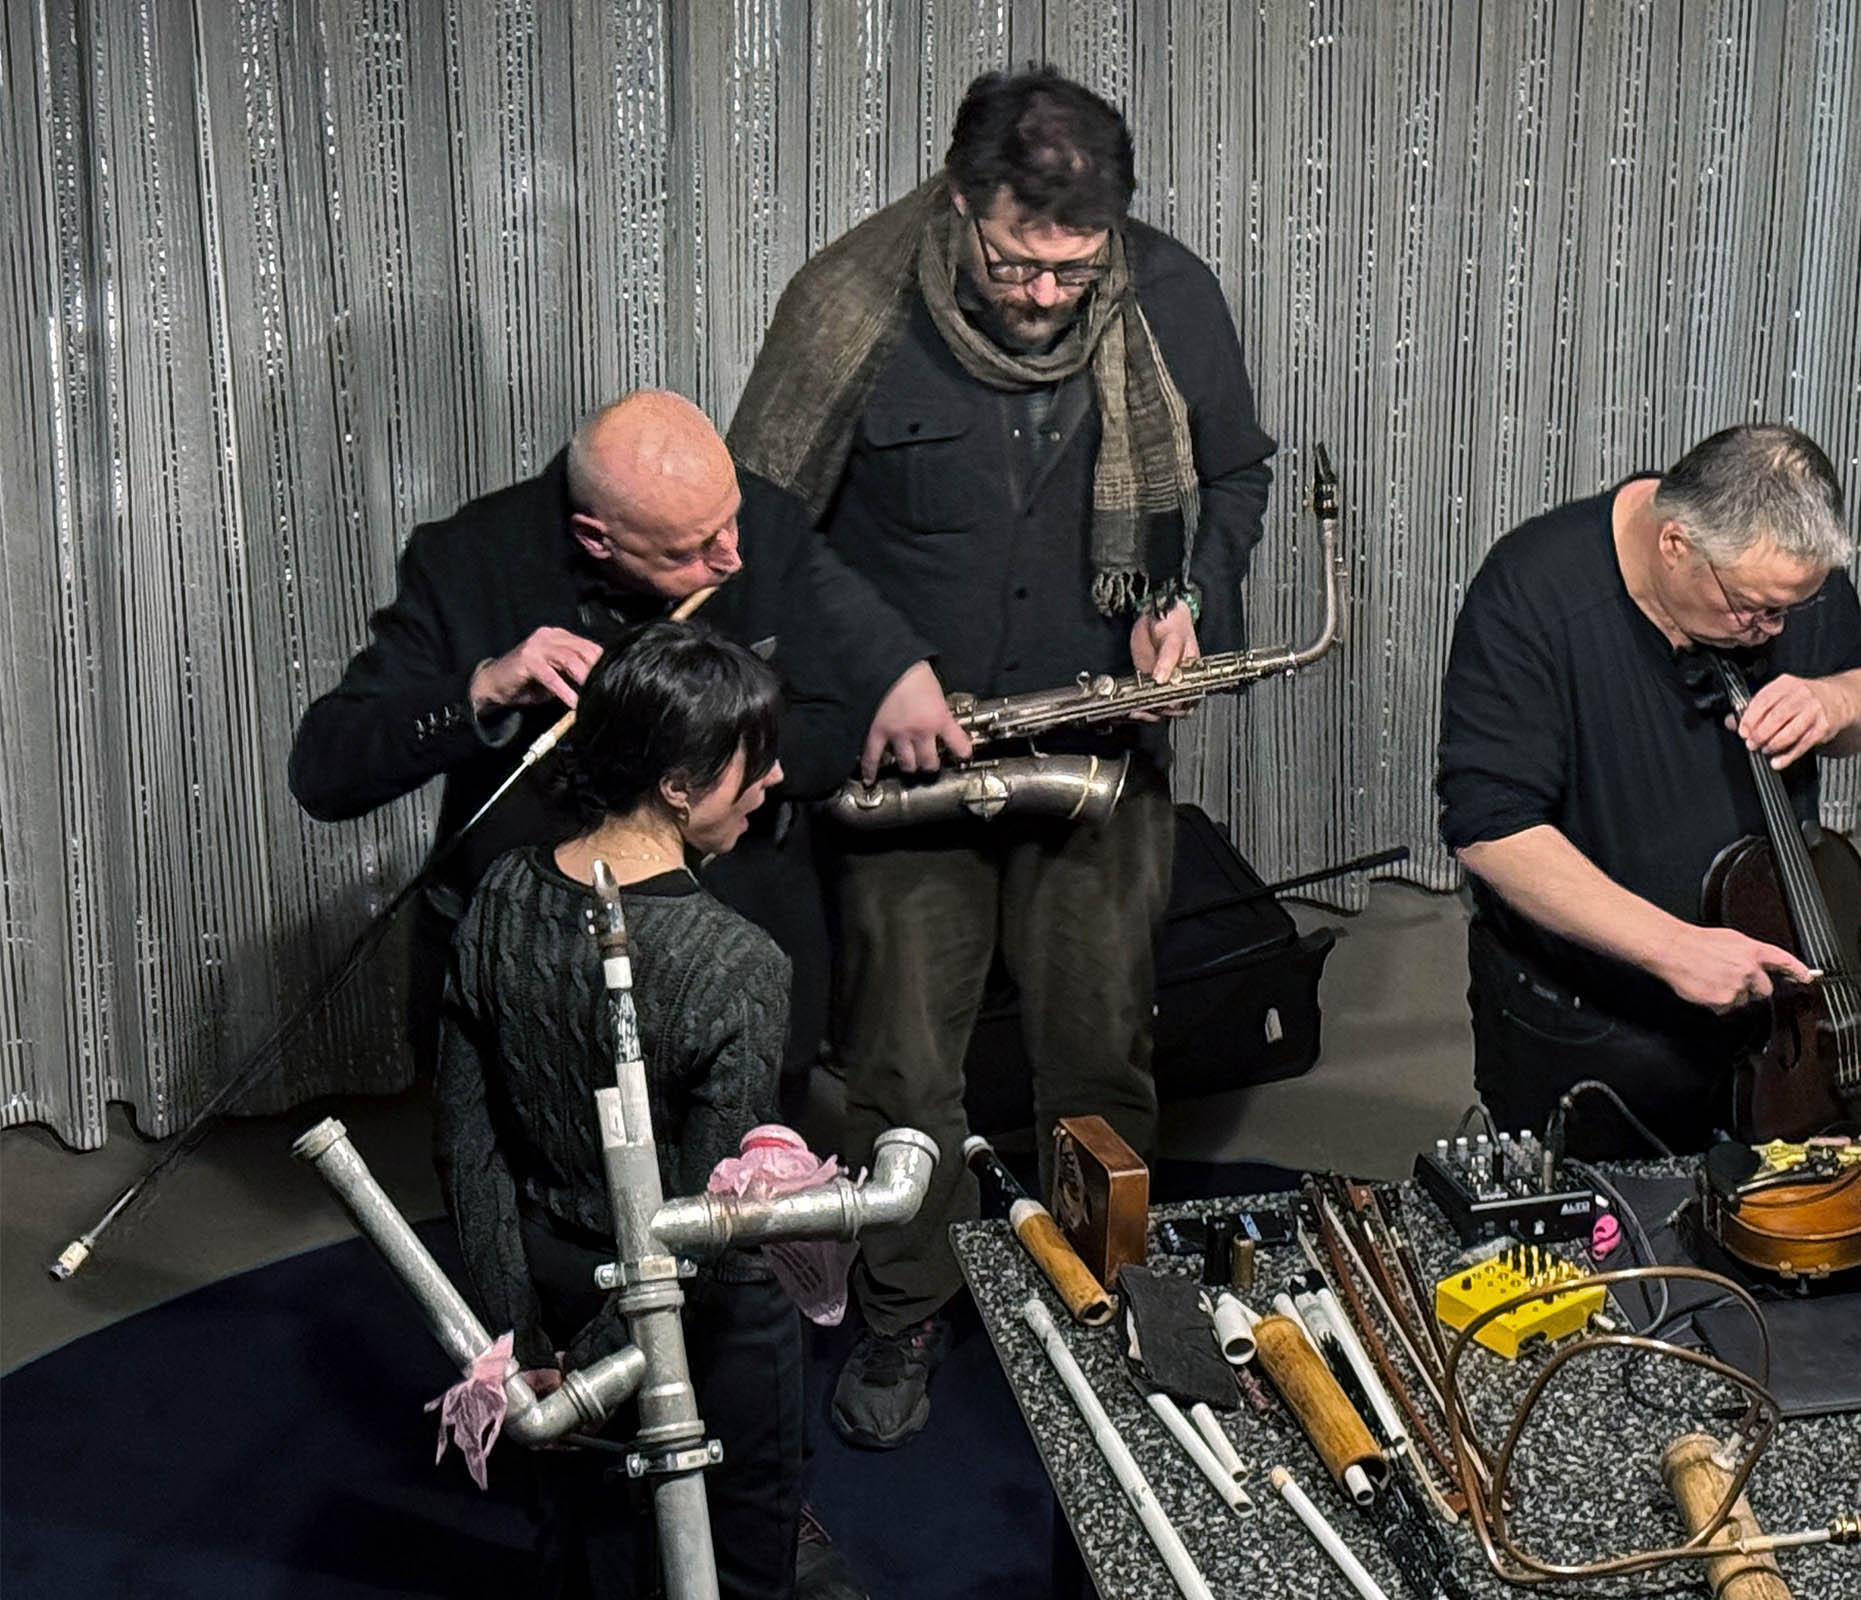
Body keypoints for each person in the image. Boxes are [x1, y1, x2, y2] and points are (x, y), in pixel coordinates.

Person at [726, 66, 1274, 1448]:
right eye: (1018, 262)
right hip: (907, 765)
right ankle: (907, 1308)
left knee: (1104, 1041)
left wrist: (1189, 600)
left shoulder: (1169, 293)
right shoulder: (846, 304)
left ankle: (1107, 1291)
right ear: (961, 202)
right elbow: (761, 529)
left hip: (1096, 747)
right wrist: (880, 668)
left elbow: (1234, 475)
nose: (1044, 295)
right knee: (902, 1068)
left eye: (1073, 269)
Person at [288, 390, 931, 1093]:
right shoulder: (467, 558)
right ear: (597, 537)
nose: (731, 558)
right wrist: (483, 690)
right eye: (690, 550)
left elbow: (834, 726)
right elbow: (325, 770)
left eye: (730, 523)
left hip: (733, 962)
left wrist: (717, 745)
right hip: (530, 987)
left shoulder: (763, 523)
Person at [433, 620, 861, 1600]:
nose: (773, 778)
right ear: (676, 784)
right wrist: (591, 1377)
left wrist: (526, 1349)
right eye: (752, 760)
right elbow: (703, 1232)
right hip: (700, 1329)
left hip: (548, 1292)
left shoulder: (499, 894)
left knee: (592, 1556)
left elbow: (467, 1143)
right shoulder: (739, 964)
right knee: (738, 1564)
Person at [1436, 424, 1861, 1157]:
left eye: (1788, 610)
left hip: (1775, 1004)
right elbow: (1490, 830)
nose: (1770, 629)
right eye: (1753, 608)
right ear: (1676, 544)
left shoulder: (1775, 563)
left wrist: (1833, 701)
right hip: (1594, 1017)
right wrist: (1672, 947)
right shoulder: (1531, 593)